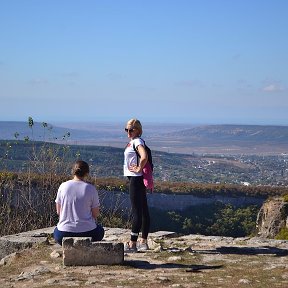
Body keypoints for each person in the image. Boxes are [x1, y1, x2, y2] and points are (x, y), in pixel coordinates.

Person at [53, 160, 104, 245]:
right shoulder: (91, 189)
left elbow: (59, 212)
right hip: (88, 233)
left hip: (63, 234)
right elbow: (95, 214)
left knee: (56, 230)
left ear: (73, 171)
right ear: (87, 173)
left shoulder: (63, 186)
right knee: (100, 230)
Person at [123, 118, 150, 252]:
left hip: (135, 179)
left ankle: (132, 244)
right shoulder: (133, 142)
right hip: (137, 179)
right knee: (143, 210)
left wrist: (139, 168)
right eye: (126, 129)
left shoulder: (137, 141)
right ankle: (143, 242)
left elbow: (144, 156)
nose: (128, 131)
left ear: (138, 130)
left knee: (136, 212)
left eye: (131, 129)